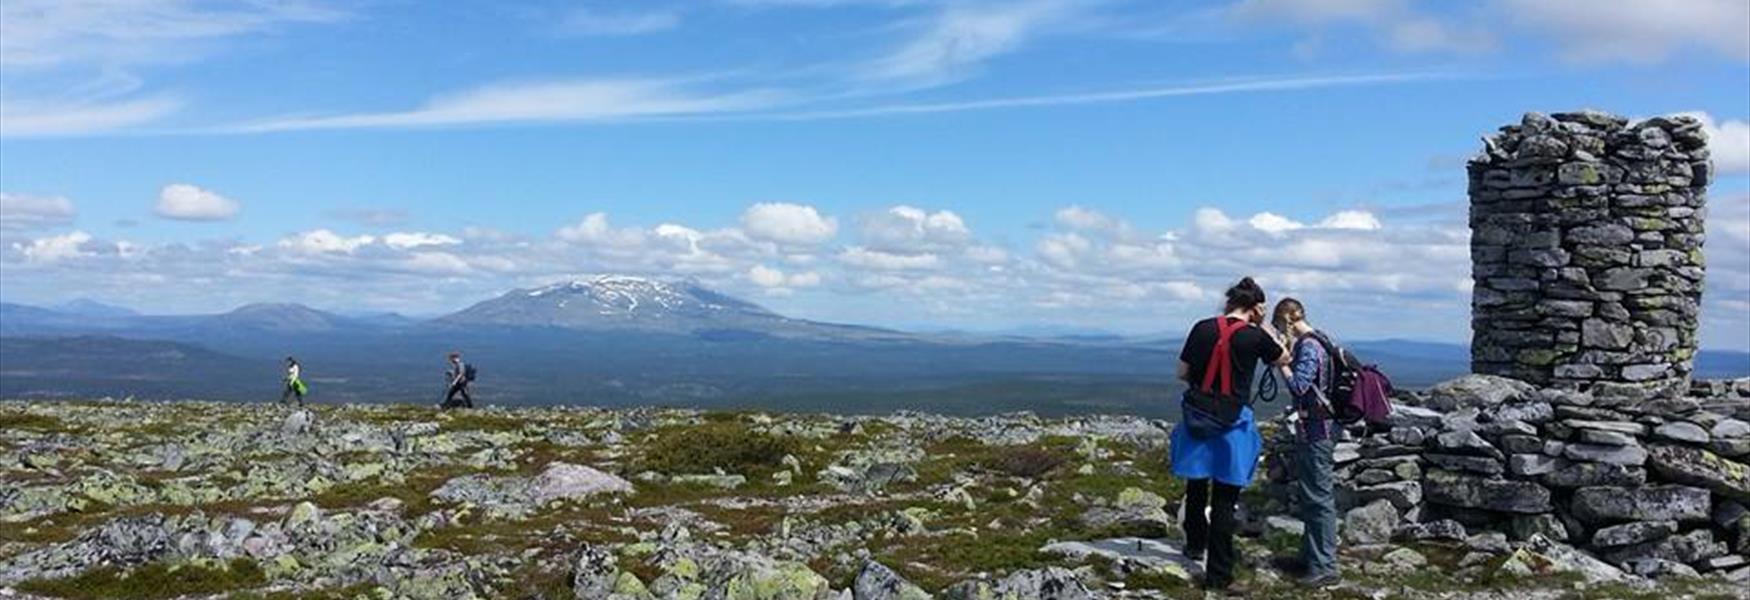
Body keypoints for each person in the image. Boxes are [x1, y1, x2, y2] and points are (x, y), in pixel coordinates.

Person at [1170, 277, 1290, 592]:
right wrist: (1264, 326)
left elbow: (1182, 373)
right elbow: (1283, 358)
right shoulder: (1255, 337)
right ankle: (1218, 575)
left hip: (1197, 415)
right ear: (1256, 308)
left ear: (1229, 303)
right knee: (1224, 498)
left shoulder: (1202, 327)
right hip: (1232, 421)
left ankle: (1194, 544)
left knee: (1196, 484)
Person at [1273, 298, 1340, 587]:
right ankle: (1310, 557)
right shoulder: (1321, 339)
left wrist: (1282, 363)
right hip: (1317, 428)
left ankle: (1324, 565)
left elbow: (1299, 386)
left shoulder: (1310, 346)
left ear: (1287, 319)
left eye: (1279, 325)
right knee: (1312, 496)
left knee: (1319, 498)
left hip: (1317, 430)